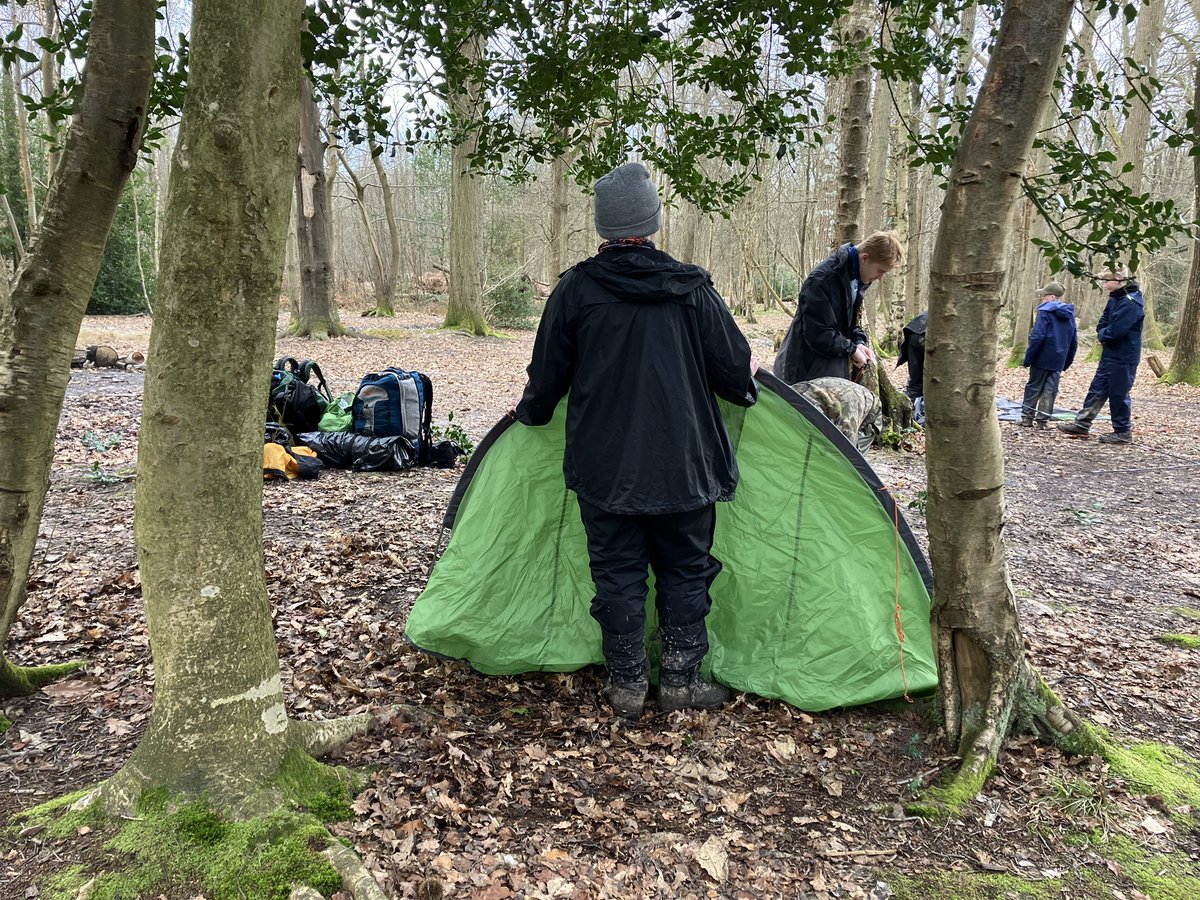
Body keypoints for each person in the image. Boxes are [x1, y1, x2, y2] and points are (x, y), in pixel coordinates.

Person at [513, 162, 759, 720]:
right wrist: (745, 393)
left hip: (606, 467)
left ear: (604, 227)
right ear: (652, 224)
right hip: (686, 465)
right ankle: (679, 683)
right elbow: (735, 371)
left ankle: (626, 687)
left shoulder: (576, 290)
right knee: (686, 567)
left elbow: (546, 373)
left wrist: (532, 413)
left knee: (617, 570)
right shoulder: (692, 290)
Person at [773, 231, 903, 384]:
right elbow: (817, 334)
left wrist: (859, 342)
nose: (881, 277)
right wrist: (851, 349)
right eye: (881, 271)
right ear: (865, 258)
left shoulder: (855, 279)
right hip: (803, 369)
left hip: (829, 368)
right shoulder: (823, 279)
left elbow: (849, 325)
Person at [1056, 269, 1144, 444]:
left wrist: (1104, 335)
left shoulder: (1131, 302)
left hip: (1124, 356)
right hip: (1109, 354)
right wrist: (1102, 333)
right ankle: (1082, 423)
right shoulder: (1115, 298)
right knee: (1097, 389)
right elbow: (1103, 322)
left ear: (1118, 280)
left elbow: (1117, 330)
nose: (1103, 283)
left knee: (1118, 393)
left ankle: (1123, 431)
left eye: (1106, 280)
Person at [1019, 281, 1077, 428]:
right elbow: (1073, 339)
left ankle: (1027, 418)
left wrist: (1029, 358)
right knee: (1051, 389)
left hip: (1042, 357)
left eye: (1044, 296)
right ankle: (1042, 421)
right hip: (1058, 358)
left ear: (1052, 297)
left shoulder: (1045, 311)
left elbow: (1037, 336)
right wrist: (1067, 360)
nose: (1042, 299)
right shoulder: (1070, 314)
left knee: (1034, 387)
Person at [896, 311, 927, 423]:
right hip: (923, 333)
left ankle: (911, 410)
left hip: (914, 331)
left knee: (915, 382)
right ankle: (913, 414)